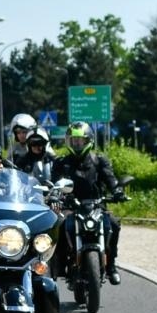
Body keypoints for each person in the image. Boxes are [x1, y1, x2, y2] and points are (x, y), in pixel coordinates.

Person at [53, 120, 124, 285]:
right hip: (71, 206)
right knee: (60, 224)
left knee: (113, 223)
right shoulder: (61, 162)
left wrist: (117, 191)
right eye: (73, 141)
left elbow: (110, 178)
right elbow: (55, 183)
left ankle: (111, 266)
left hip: (96, 205)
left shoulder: (99, 160)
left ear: (89, 141)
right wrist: (56, 194)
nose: (77, 144)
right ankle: (61, 263)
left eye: (80, 141)